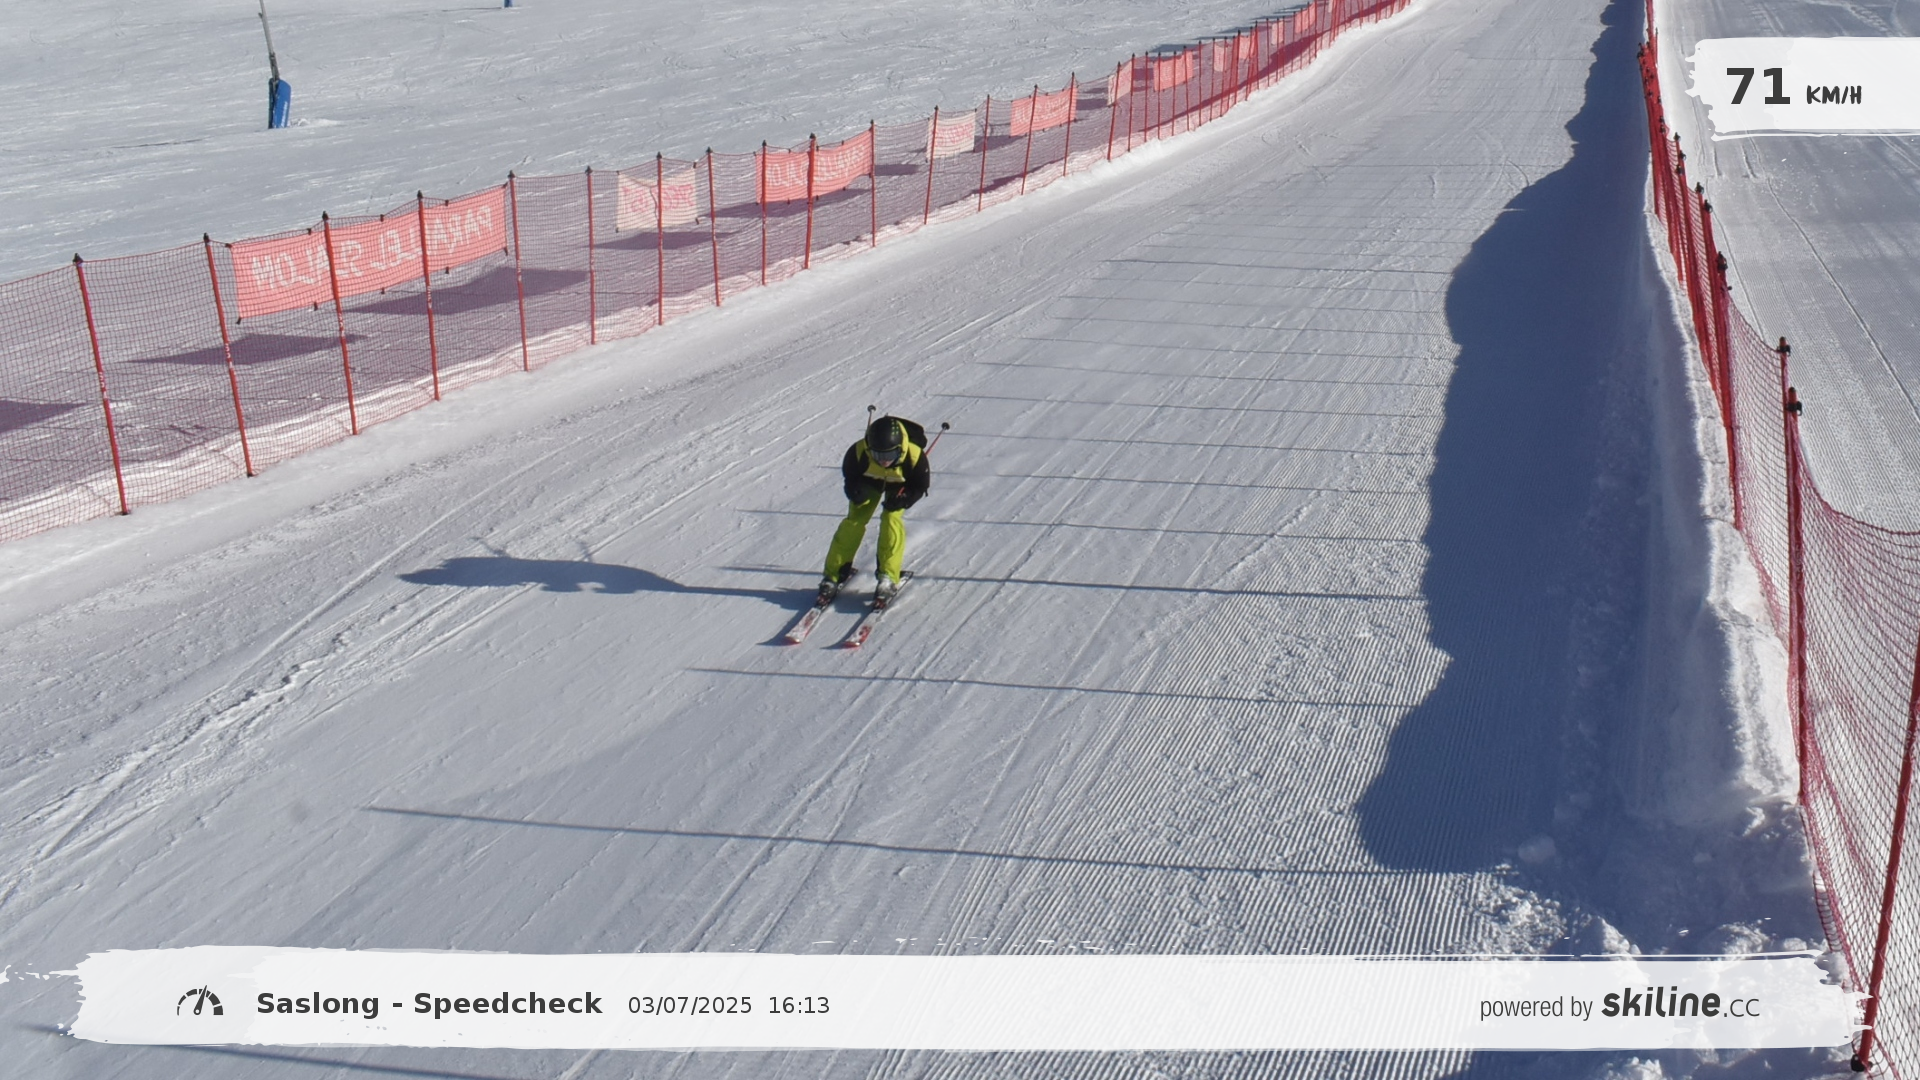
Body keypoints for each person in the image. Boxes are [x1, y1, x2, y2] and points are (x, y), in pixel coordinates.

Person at [819, 415, 931, 603]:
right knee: (854, 520)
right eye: (878, 455)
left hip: (899, 486)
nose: (884, 461)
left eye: (890, 456)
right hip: (869, 482)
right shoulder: (858, 451)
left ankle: (888, 576)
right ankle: (833, 574)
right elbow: (850, 476)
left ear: (900, 449)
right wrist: (853, 491)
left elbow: (920, 486)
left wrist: (904, 499)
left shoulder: (914, 456)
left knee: (891, 519)